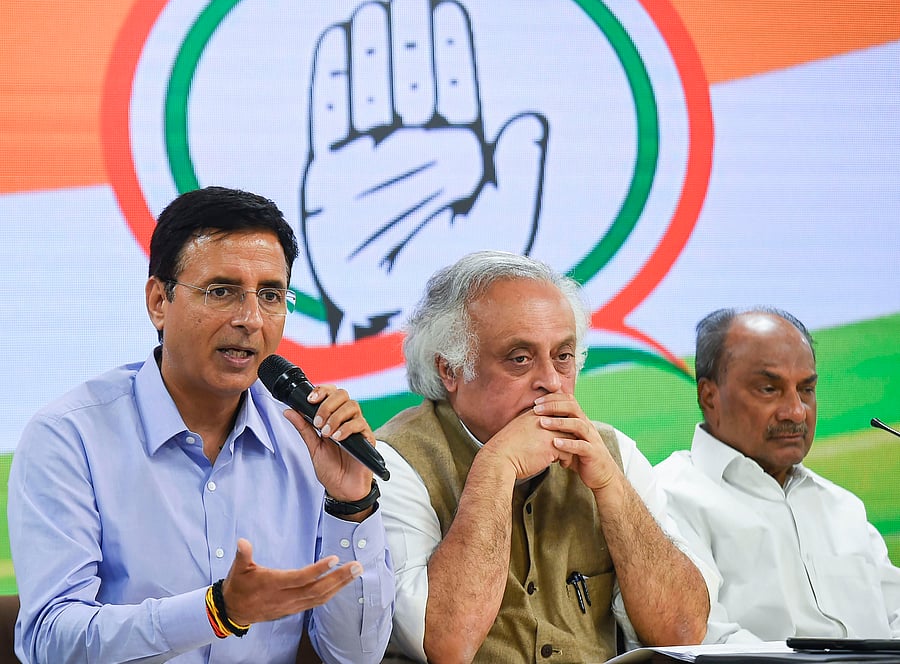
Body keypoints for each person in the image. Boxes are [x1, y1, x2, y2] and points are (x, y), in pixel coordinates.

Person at [8, 187, 394, 663]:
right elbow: (51, 641)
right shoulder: (69, 439)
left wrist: (351, 503)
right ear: (158, 302)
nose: (250, 319)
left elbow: (354, 656)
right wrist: (217, 612)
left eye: (270, 295)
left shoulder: (307, 442)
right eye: (222, 291)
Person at [375, 250, 711, 663]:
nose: (551, 382)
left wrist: (611, 489)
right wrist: (497, 468)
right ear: (450, 370)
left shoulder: (613, 453)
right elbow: (445, 644)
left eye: (563, 356)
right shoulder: (394, 462)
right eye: (520, 359)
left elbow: (683, 634)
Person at [654, 307, 900, 642]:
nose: (796, 411)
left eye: (806, 390)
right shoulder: (667, 497)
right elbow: (708, 642)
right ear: (708, 396)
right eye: (769, 389)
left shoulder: (844, 507)